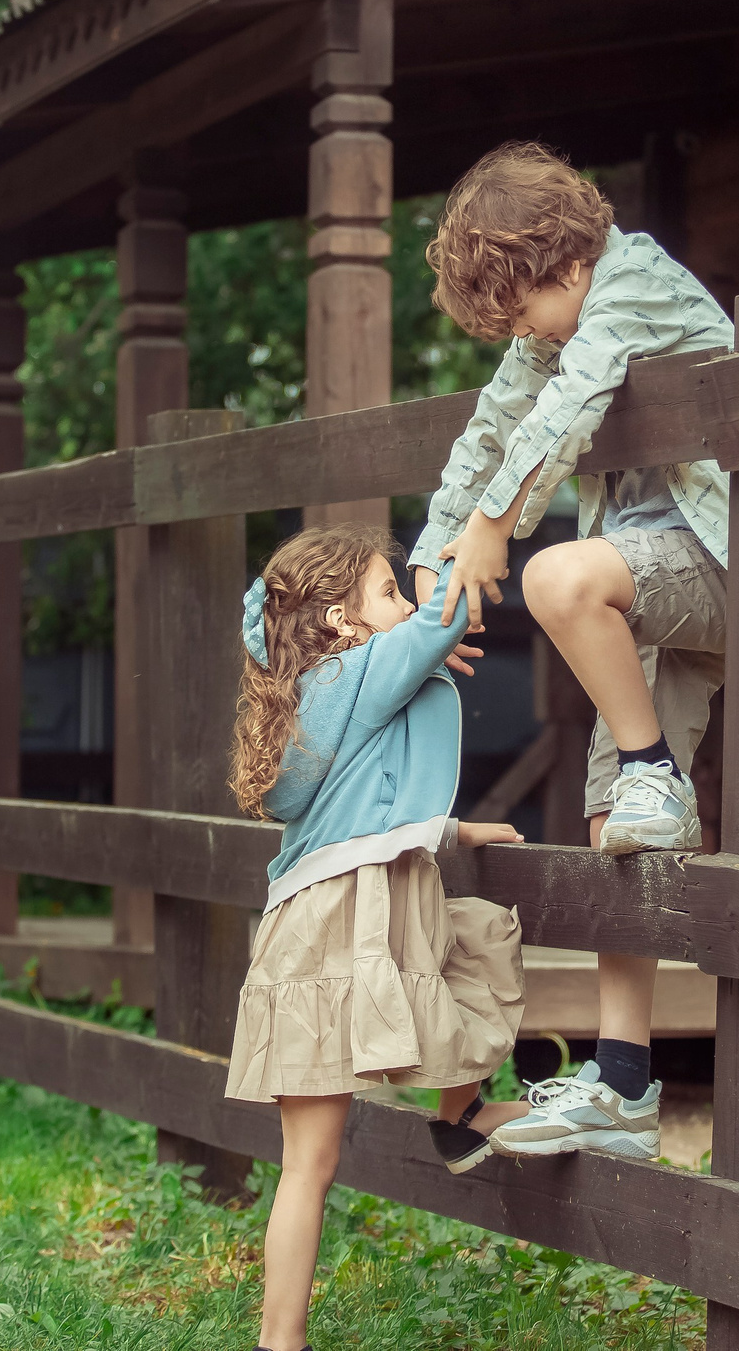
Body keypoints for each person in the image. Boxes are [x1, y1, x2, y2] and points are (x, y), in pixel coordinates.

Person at [408, 140, 736, 1162]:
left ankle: (653, 770)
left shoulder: (629, 283)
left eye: (521, 315)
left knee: (557, 575)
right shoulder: (555, 325)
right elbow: (494, 425)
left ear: (563, 266)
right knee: (613, 827)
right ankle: (626, 1085)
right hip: (646, 582)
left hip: (731, 560)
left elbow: (567, 403)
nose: (523, 339)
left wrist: (500, 526)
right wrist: (432, 563)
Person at [222, 525, 530, 1351]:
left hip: (332, 912)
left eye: (403, 587)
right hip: (333, 925)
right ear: (339, 619)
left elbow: (362, 799)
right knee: (311, 1162)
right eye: (388, 591)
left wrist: (456, 830)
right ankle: (279, 1343)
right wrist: (479, 525)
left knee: (477, 940)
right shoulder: (355, 671)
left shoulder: (332, 690)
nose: (404, 602)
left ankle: (456, 1117)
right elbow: (443, 615)